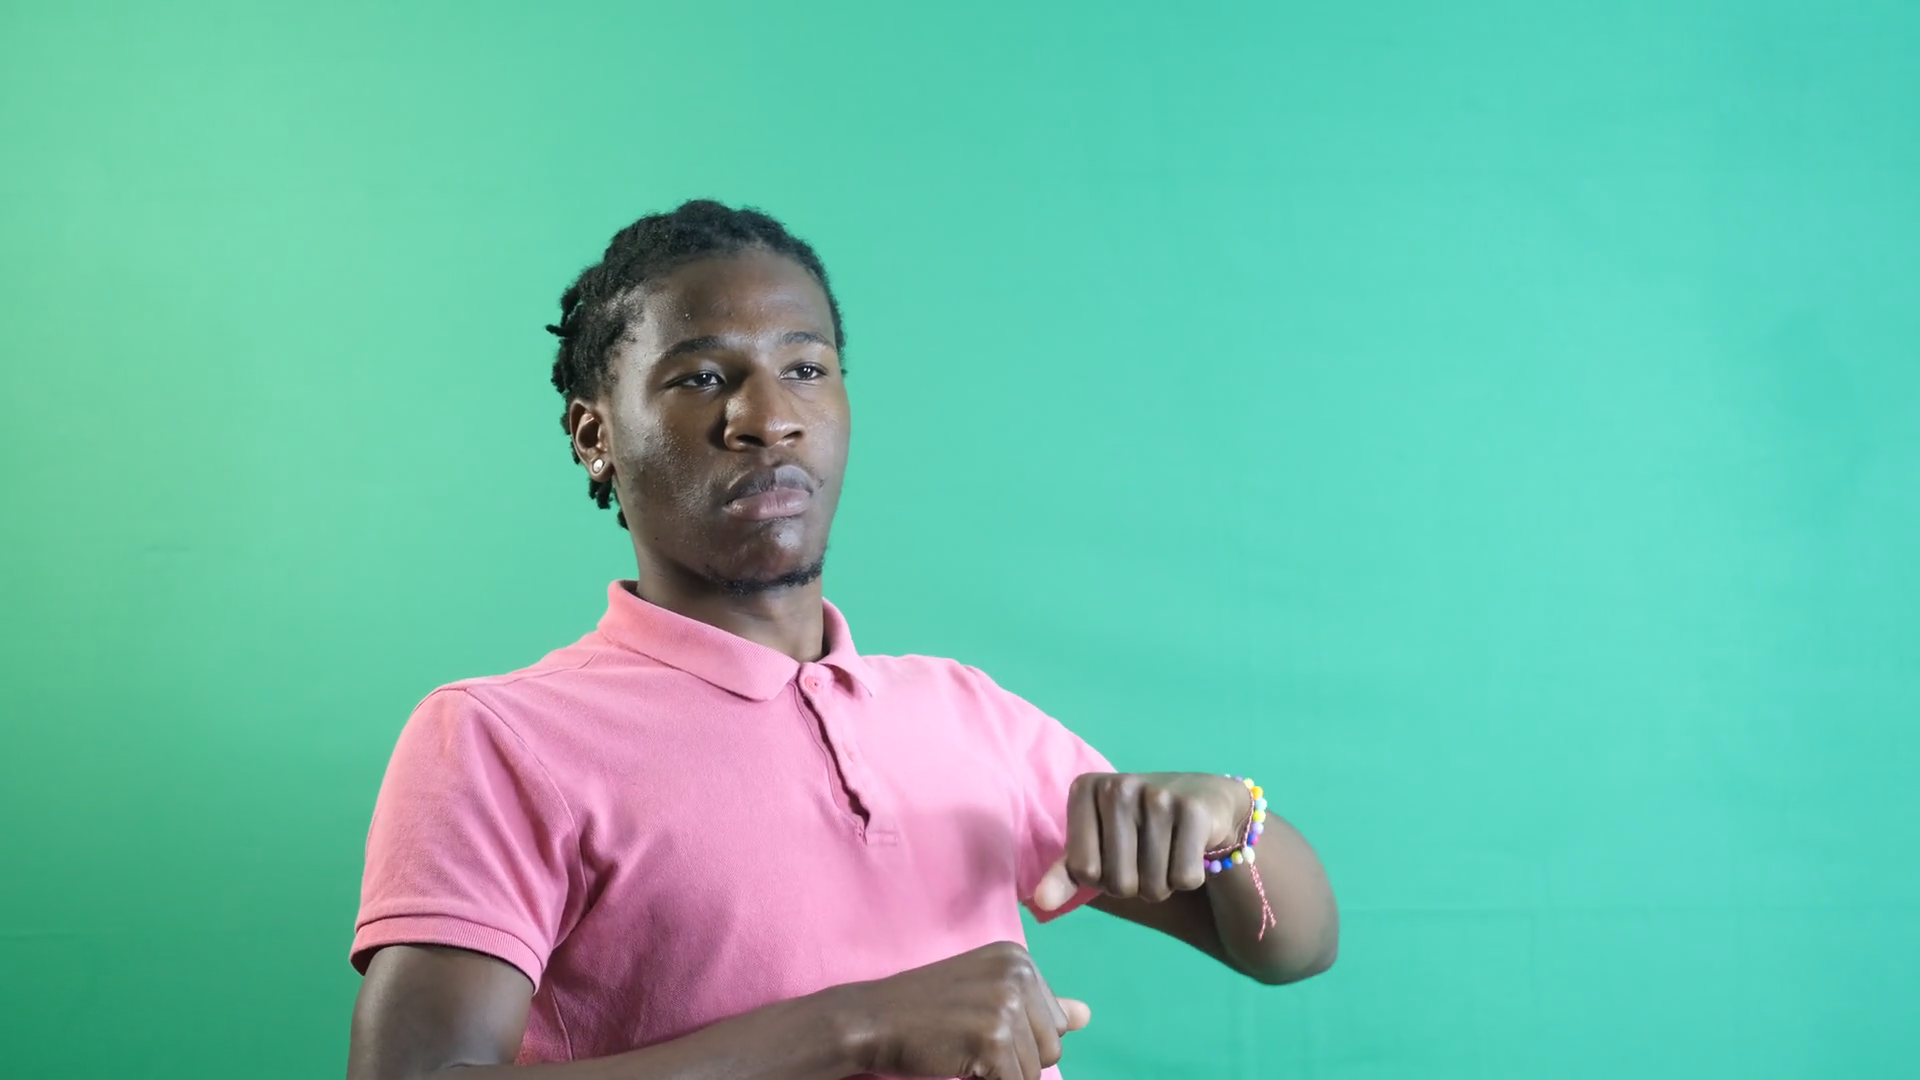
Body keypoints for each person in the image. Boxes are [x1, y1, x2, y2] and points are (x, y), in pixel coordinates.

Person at [345, 200, 1337, 1080]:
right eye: (701, 377)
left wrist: (1233, 822)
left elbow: (1285, 945)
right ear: (594, 435)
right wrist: (859, 1027)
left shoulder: (962, 713)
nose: (768, 418)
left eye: (806, 368)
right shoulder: (500, 738)